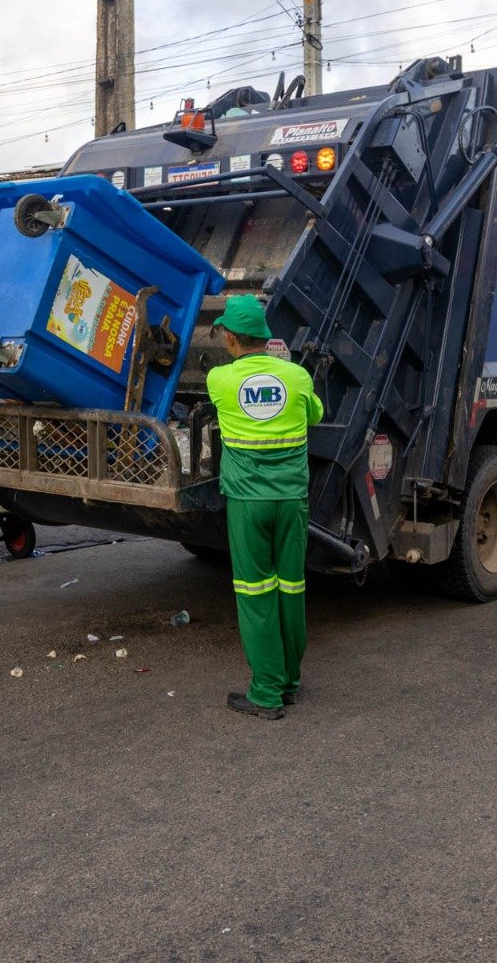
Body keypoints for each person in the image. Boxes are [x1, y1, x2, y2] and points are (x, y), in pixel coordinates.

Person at [204, 294, 323, 720]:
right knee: (291, 588)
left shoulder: (219, 380)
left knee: (255, 595)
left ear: (231, 338)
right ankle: (289, 680)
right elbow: (314, 414)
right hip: (291, 501)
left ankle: (266, 694)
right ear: (266, 335)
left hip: (248, 503)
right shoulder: (297, 376)